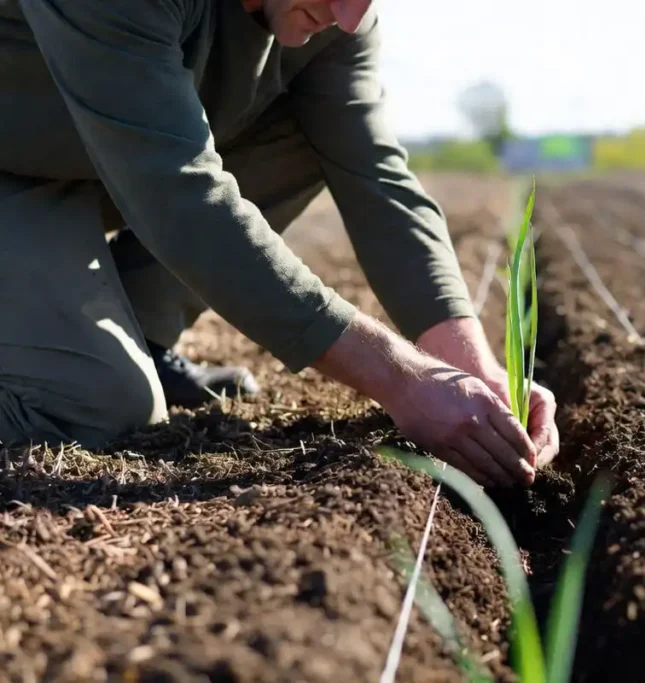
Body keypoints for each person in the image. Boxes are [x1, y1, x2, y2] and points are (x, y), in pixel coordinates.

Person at [0, 0, 558, 488]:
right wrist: (398, 377)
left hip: (85, 158)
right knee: (96, 404)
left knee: (312, 129)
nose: (351, 15)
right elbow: (180, 194)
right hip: (18, 169)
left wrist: (475, 370)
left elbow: (376, 179)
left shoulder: (339, 16)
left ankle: (139, 331)